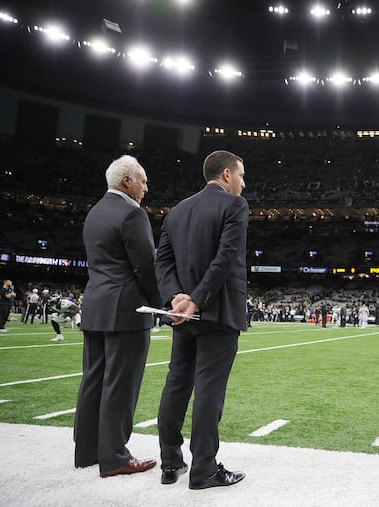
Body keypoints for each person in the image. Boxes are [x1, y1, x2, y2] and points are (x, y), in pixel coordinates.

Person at [155, 150, 248, 490]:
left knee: (177, 383)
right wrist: (196, 299)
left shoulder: (177, 211)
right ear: (226, 174)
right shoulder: (235, 205)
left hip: (184, 315)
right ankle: (204, 469)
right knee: (209, 389)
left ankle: (170, 463)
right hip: (218, 311)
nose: (243, 181)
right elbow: (225, 258)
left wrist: (175, 297)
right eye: (241, 175)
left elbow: (161, 262)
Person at [74, 155, 161, 478]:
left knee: (93, 379)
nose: (146, 188)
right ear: (127, 181)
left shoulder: (94, 212)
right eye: (143, 181)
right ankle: (114, 457)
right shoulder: (132, 214)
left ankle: (86, 451)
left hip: (95, 305)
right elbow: (145, 267)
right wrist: (161, 305)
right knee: (121, 384)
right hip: (127, 310)